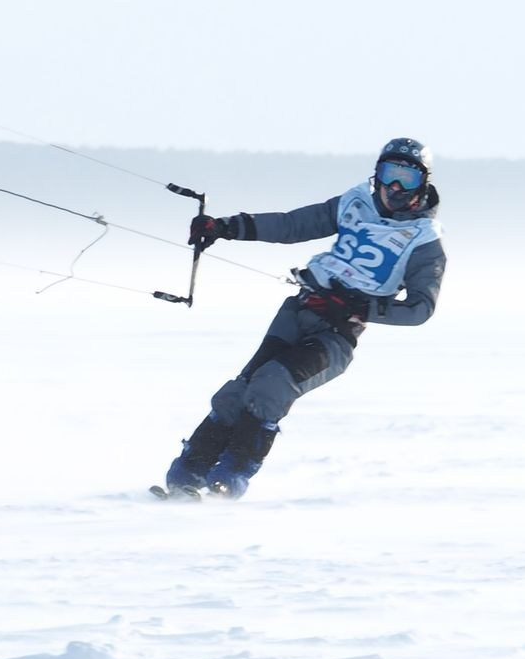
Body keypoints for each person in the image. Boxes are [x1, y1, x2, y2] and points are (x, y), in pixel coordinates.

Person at [158, 137, 445, 500]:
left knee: (271, 387)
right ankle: (186, 475)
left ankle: (229, 482)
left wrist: (359, 308)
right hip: (300, 310)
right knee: (240, 391)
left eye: (407, 178)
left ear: (424, 183)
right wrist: (225, 227)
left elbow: (421, 309)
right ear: (376, 174)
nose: (395, 187)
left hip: (337, 336)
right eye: (390, 174)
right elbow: (292, 225)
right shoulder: (354, 203)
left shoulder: (425, 240)